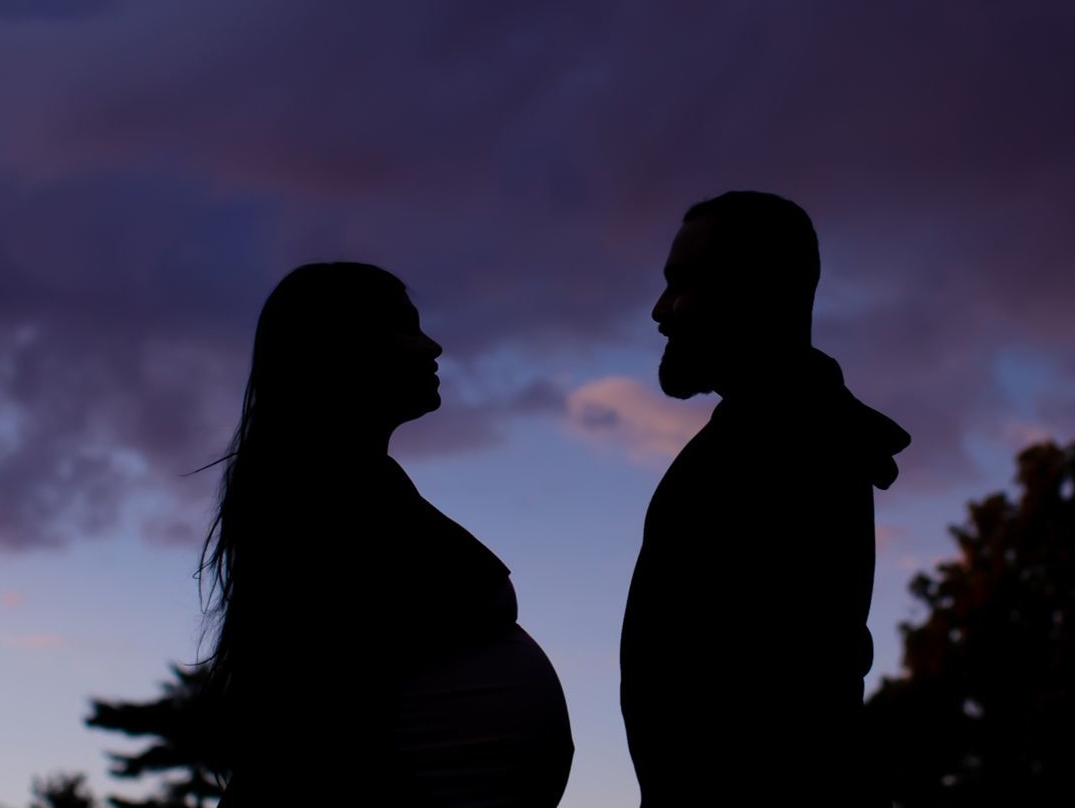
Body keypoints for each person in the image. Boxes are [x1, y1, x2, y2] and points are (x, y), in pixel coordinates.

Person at [196, 262, 573, 806]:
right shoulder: (320, 500)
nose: (433, 346)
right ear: (342, 347)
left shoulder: (353, 488)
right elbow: (320, 709)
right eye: (407, 327)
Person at [621, 192, 912, 805]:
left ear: (748, 296)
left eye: (681, 283)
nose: (660, 310)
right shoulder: (777, 434)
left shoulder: (786, 449)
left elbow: (776, 701)